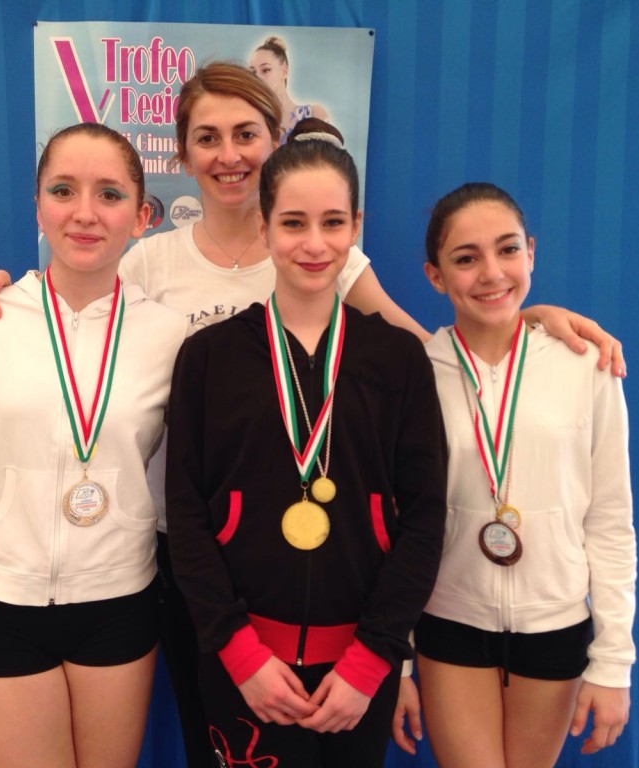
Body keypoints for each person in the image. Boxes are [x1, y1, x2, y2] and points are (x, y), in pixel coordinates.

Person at [0, 63, 624, 767]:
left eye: (245, 133)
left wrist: (526, 320)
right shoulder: (150, 271)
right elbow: (77, 313)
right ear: (187, 159)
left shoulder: (368, 319)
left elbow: (444, 365)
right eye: (207, 137)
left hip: (350, 618)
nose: (228, 153)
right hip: (191, 574)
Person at [0, 123, 187, 768]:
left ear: (142, 217)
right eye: (63, 190)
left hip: (119, 601)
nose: (85, 212)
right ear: (38, 207)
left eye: (109, 194)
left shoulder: (168, 337)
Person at [166, 123, 447, 767]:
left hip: (358, 673)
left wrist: (374, 659)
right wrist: (238, 653)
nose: (314, 244)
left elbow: (425, 518)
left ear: (356, 228)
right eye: (293, 223)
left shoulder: (399, 359)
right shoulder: (208, 358)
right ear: (263, 227)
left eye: (333, 223)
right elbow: (185, 516)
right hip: (242, 667)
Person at [411, 182, 636, 767]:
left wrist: (614, 660)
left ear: (531, 252)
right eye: (466, 258)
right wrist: (400, 657)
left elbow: (610, 521)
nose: (492, 273)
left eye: (508, 249)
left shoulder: (587, 365)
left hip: (554, 624)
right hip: (449, 620)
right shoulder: (415, 374)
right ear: (436, 276)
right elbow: (396, 525)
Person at [249, 36, 330, 145]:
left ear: (284, 72)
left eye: (266, 70)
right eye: (252, 72)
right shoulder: (252, 122)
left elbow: (330, 155)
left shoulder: (314, 114)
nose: (257, 77)